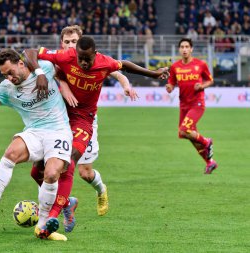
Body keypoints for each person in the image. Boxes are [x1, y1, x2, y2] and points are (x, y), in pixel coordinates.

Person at [24, 36, 169, 232]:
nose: (83, 63)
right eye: (80, 58)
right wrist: (39, 72)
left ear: (95, 53)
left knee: (69, 160)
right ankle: (67, 203)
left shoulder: (104, 62)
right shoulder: (66, 56)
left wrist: (152, 74)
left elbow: (124, 66)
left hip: (83, 120)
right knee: (37, 171)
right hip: (58, 119)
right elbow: (31, 52)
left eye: (87, 59)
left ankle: (53, 215)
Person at [0, 49, 73, 241]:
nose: (9, 78)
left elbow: (66, 72)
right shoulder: (6, 88)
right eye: (4, 75)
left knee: (51, 174)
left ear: (21, 63)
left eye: (10, 72)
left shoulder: (45, 68)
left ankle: (42, 228)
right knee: (10, 152)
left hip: (59, 131)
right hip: (34, 132)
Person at [165, 38, 218, 174]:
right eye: (182, 47)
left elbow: (210, 80)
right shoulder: (175, 67)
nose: (184, 49)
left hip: (197, 103)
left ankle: (207, 142)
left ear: (191, 49)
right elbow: (171, 83)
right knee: (187, 135)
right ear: (179, 49)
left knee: (185, 129)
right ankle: (210, 162)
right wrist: (169, 87)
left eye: (187, 47)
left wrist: (202, 86)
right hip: (184, 105)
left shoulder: (200, 64)